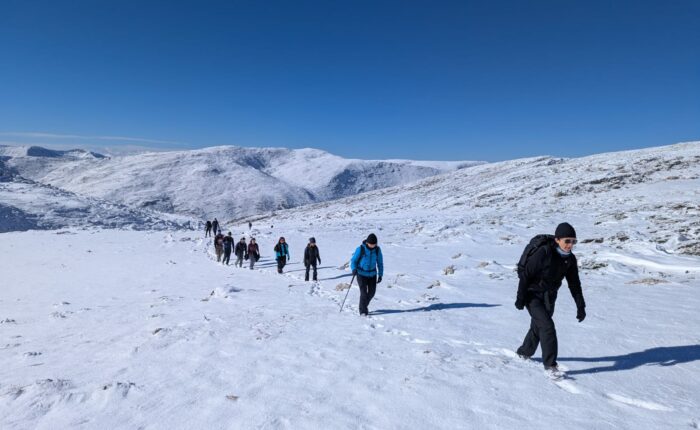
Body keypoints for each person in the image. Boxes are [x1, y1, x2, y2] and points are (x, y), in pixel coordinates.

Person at [515, 222, 586, 378]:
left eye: (573, 241)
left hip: (549, 296)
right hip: (532, 295)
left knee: (538, 326)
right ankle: (550, 366)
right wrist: (520, 298)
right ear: (557, 240)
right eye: (567, 241)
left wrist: (581, 306)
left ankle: (524, 352)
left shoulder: (570, 259)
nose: (570, 245)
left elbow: (574, 284)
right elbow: (526, 275)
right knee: (547, 327)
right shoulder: (544, 252)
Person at [350, 233, 384, 316]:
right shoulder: (361, 249)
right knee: (364, 293)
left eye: (374, 244)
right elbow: (353, 260)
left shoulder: (377, 250)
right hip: (361, 274)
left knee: (372, 293)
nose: (372, 246)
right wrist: (354, 269)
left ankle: (363, 305)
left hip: (372, 274)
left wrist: (380, 274)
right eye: (371, 244)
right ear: (367, 243)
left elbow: (380, 263)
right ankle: (363, 311)